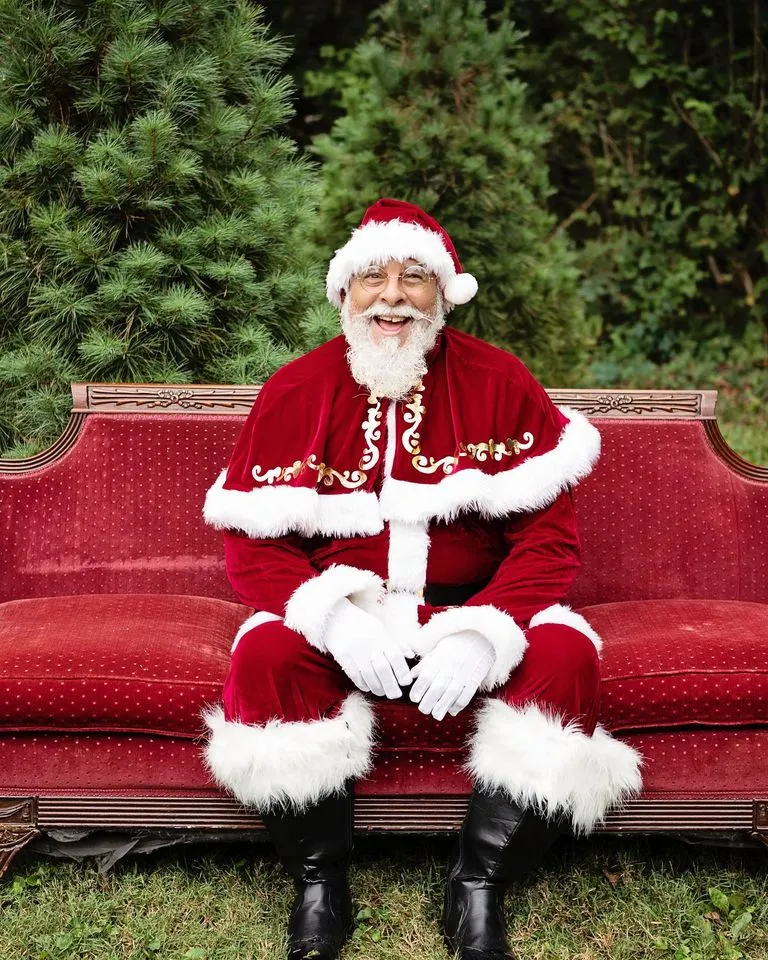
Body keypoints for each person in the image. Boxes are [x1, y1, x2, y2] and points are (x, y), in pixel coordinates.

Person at [202, 198, 642, 960]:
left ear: (444, 295)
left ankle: (478, 885)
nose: (393, 295)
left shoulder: (501, 381)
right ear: (345, 292)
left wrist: (485, 630)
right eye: (373, 277)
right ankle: (318, 881)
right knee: (266, 657)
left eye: (415, 278)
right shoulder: (296, 389)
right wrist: (331, 616)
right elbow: (253, 547)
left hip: (468, 611)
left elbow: (549, 541)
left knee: (567, 658)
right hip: (349, 617)